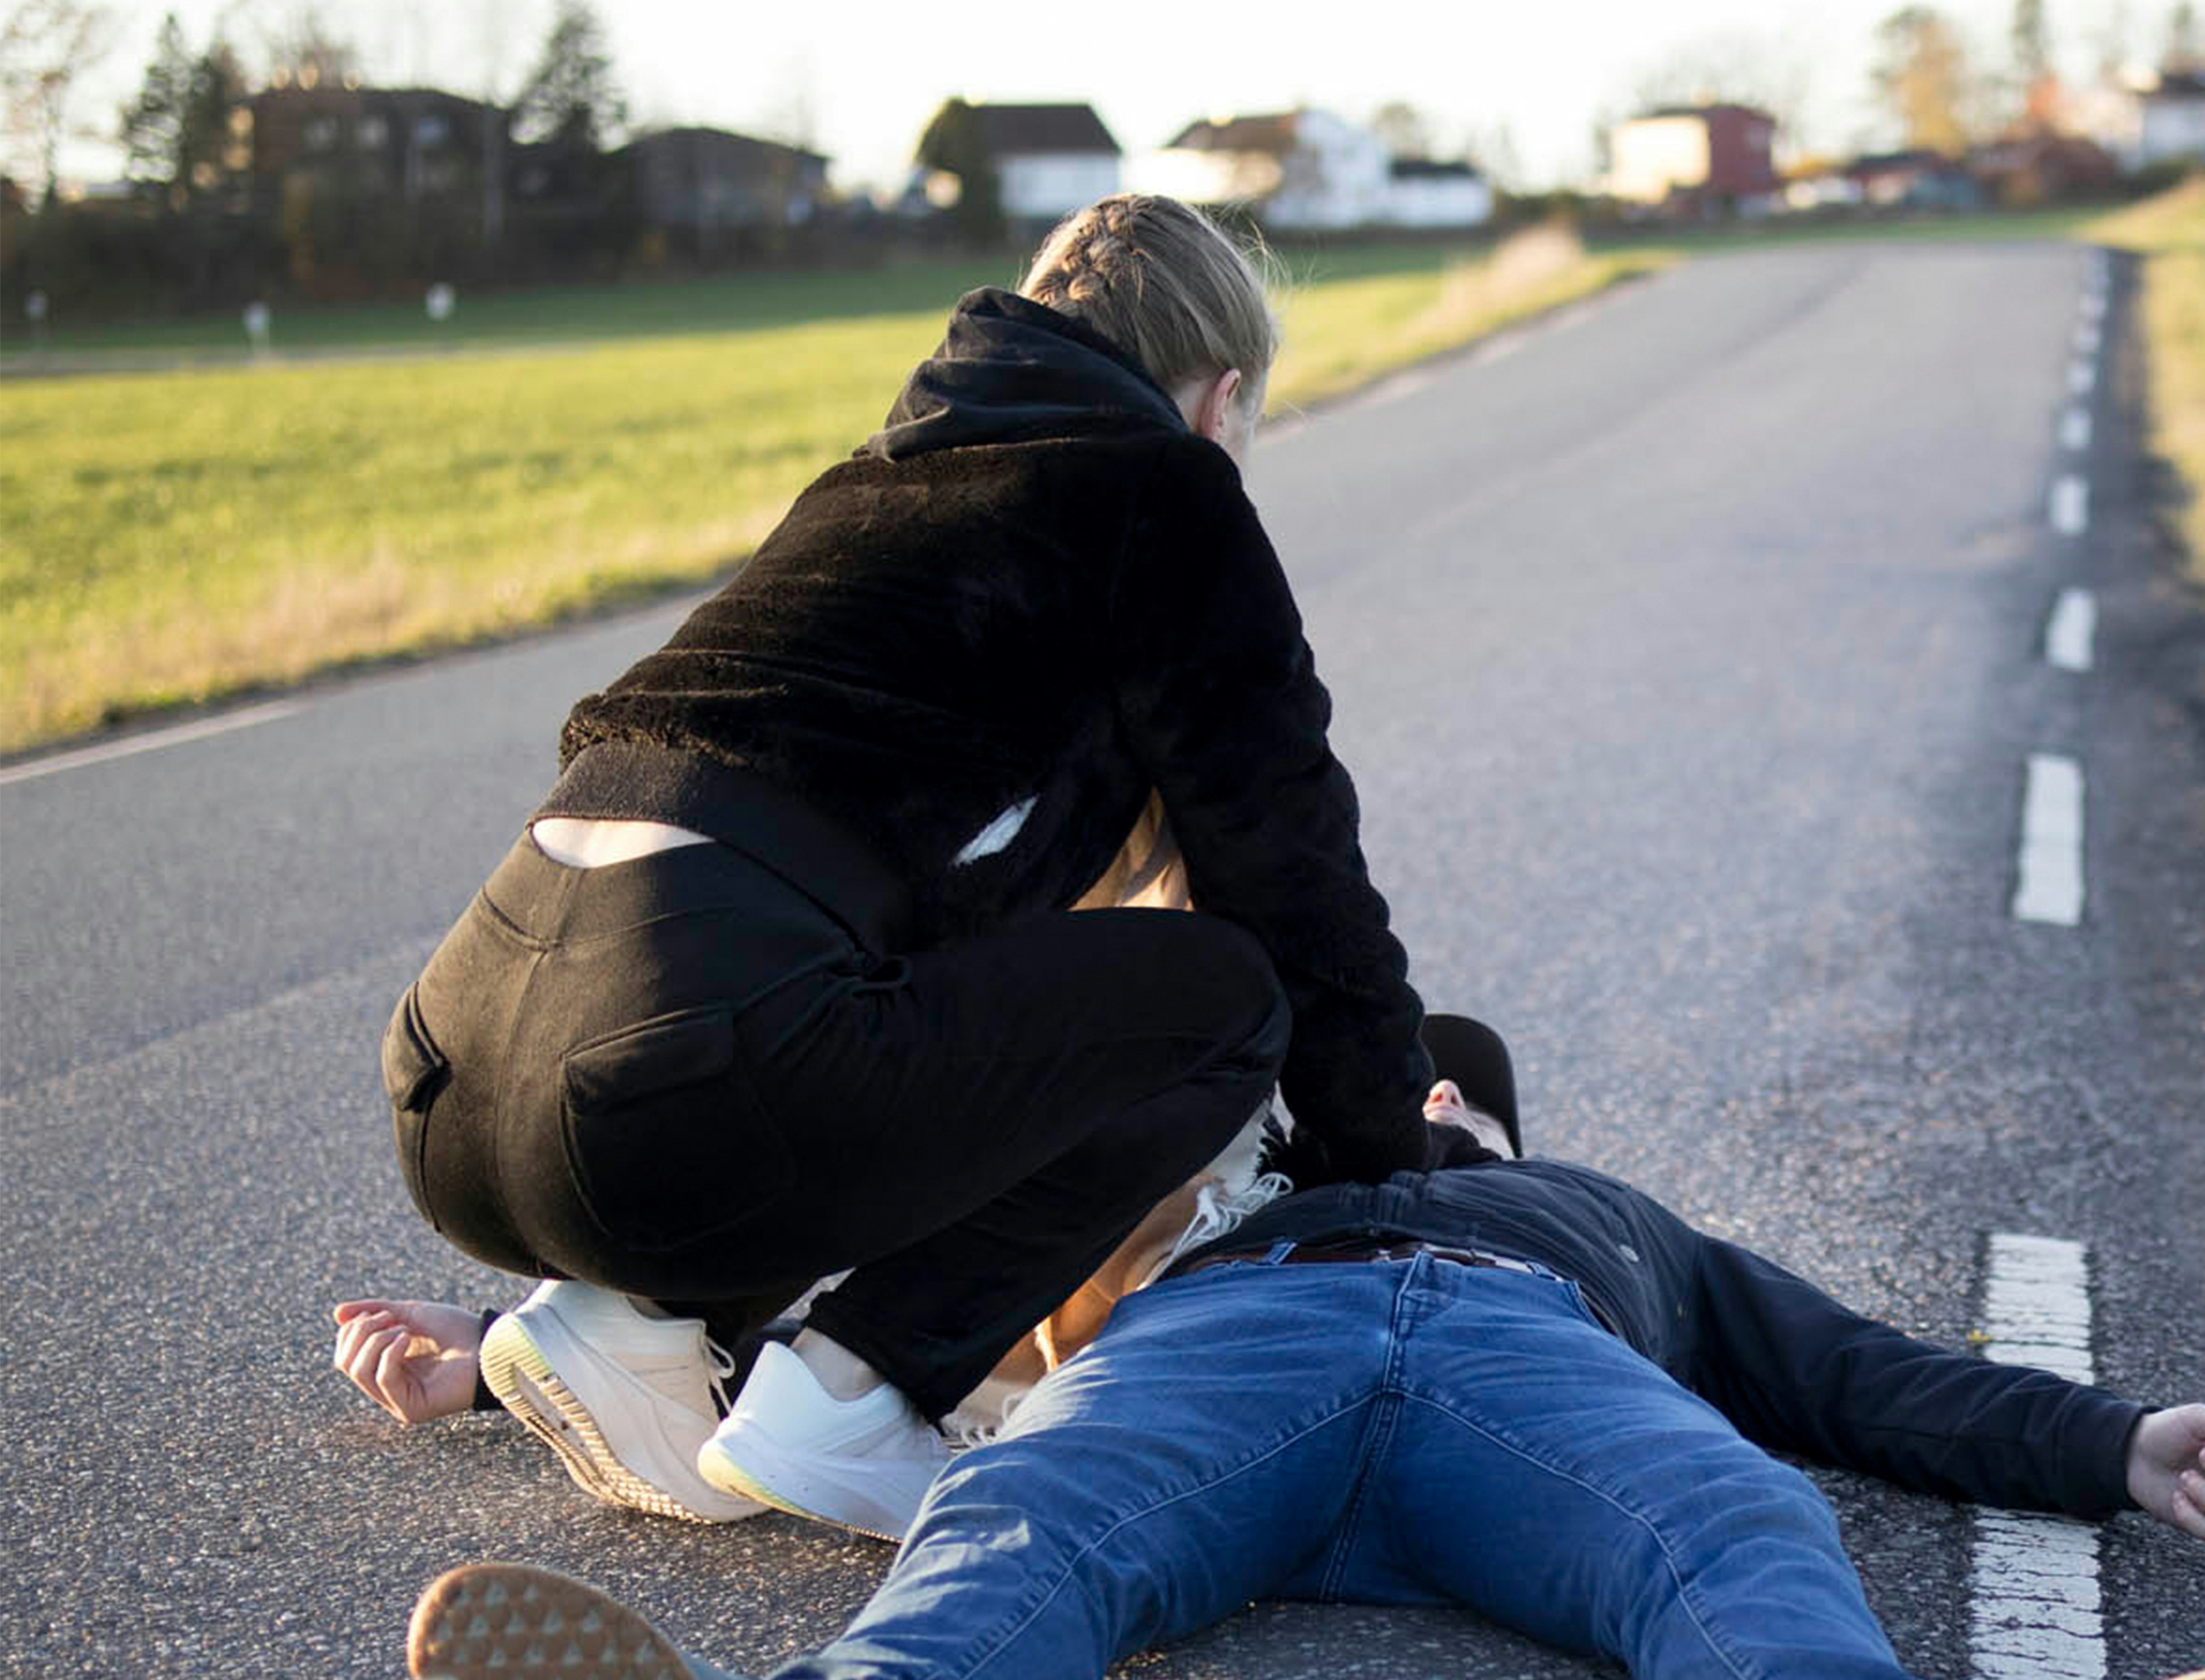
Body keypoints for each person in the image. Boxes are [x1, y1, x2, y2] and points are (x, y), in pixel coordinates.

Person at [400, 1047, 2205, 1680]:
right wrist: (500, 1353)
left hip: (1525, 1381)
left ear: (1499, 1122)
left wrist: (2109, 1437)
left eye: (1446, 1090)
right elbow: (856, 1299)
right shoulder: (1198, 1220)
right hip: (1230, 1355)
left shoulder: (1602, 1221)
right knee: (1030, 1502)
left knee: (1731, 1512)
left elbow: (1853, 1379)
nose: (1415, 1102)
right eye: (1381, 1081)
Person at [375, 194, 1463, 1543]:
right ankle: (853, 1391)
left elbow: (933, 1044)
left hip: (458, 1082)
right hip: (670, 1081)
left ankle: (620, 1317)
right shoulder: (1165, 488)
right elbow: (1299, 883)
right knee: (1226, 997)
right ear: (1221, 396)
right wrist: (1393, 1162)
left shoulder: (867, 486)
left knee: (877, 1005)